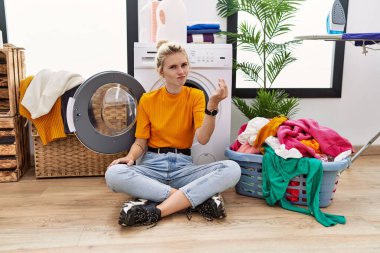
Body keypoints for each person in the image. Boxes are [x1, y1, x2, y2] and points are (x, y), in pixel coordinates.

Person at [105, 41, 241, 227]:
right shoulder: (148, 100)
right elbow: (140, 142)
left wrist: (213, 106)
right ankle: (191, 200)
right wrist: (130, 157)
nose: (181, 71)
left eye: (184, 65)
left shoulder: (195, 96)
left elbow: (202, 138)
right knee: (114, 174)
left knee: (232, 168)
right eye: (173, 67)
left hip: (184, 168)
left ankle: (156, 211)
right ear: (161, 71)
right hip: (153, 166)